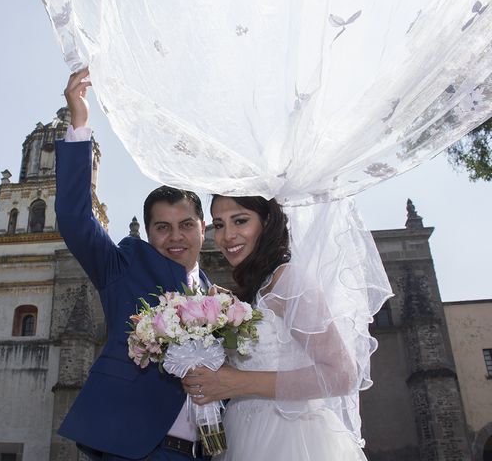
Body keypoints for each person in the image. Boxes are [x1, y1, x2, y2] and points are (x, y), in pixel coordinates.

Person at [55, 68, 211, 461]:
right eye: (163, 227)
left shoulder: (219, 298)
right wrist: (80, 125)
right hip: (133, 449)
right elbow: (76, 220)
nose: (176, 236)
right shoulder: (124, 266)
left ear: (203, 229)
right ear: (147, 231)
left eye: (185, 225)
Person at [182, 195, 368, 460]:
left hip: (291, 437)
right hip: (242, 434)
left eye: (241, 221)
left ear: (267, 222)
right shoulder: (256, 290)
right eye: (220, 224)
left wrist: (235, 383)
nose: (227, 235)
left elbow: (342, 375)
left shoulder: (288, 281)